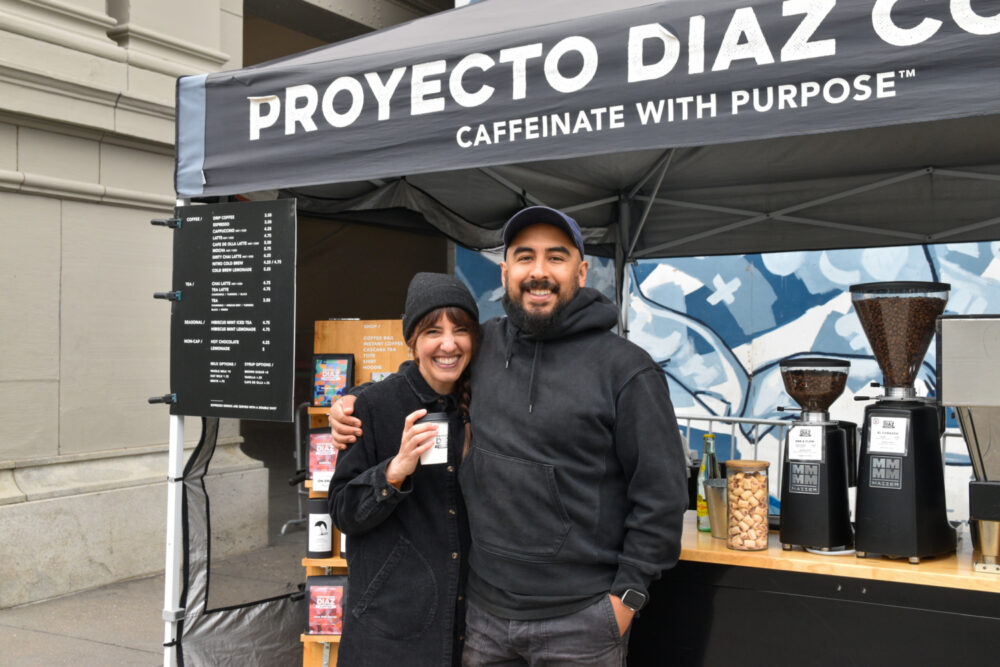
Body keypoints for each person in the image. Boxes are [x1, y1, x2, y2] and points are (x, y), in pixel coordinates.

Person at [332, 206, 688, 666]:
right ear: (506, 271)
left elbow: (661, 497)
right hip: (483, 621)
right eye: (525, 257)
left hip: (581, 623)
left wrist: (626, 601)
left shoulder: (627, 370)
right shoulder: (485, 346)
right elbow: (428, 368)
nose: (539, 272)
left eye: (555, 258)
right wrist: (354, 401)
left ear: (581, 271)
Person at [328, 272, 480, 667]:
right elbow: (343, 511)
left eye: (460, 330)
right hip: (389, 631)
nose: (448, 344)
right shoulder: (372, 408)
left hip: (470, 623)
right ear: (411, 340)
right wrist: (394, 471)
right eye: (433, 331)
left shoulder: (484, 402)